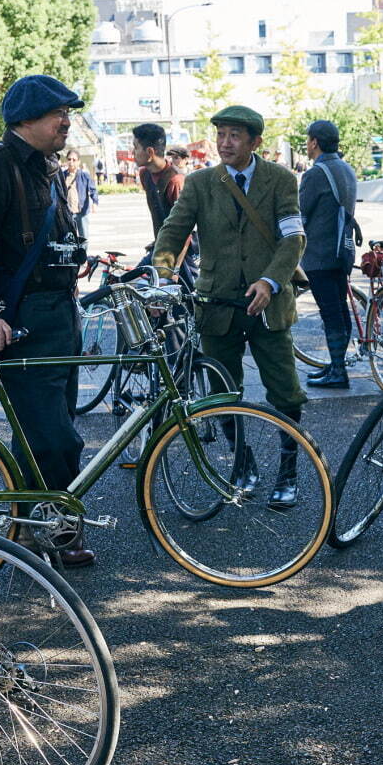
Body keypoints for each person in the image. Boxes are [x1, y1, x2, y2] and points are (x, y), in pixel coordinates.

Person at [0, 75, 94, 567]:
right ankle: (57, 527)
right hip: (23, 317)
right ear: (28, 117)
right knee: (55, 435)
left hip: (59, 312)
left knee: (44, 426)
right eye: (60, 113)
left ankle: (31, 525)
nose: (67, 122)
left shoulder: (48, 168)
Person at [151, 105, 308, 507]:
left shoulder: (281, 180)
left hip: (267, 306)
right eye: (221, 134)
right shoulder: (202, 182)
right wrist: (163, 274)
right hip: (216, 305)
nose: (225, 142)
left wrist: (271, 281)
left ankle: (288, 472)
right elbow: (173, 231)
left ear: (255, 142)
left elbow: (293, 238)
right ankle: (243, 465)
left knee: (286, 393)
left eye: (235, 135)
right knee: (222, 392)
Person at [298, 119, 358, 388]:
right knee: (339, 311)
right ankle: (336, 366)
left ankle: (338, 372)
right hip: (341, 252)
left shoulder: (316, 173)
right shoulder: (346, 168)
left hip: (319, 254)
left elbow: (301, 213)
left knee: (331, 314)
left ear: (315, 142)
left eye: (309, 140)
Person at [133, 123, 198, 285]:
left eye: (135, 147)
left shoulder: (175, 181)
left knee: (188, 302)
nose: (132, 153)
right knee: (131, 283)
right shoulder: (144, 174)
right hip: (160, 249)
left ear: (149, 152)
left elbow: (185, 232)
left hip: (181, 255)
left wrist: (174, 270)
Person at [61, 149, 98, 242]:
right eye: (69, 159)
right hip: (67, 214)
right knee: (69, 239)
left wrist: (95, 202)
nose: (71, 162)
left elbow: (93, 190)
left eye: (74, 160)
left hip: (81, 212)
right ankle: (73, 257)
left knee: (83, 238)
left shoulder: (84, 175)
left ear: (78, 161)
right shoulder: (62, 175)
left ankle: (83, 256)